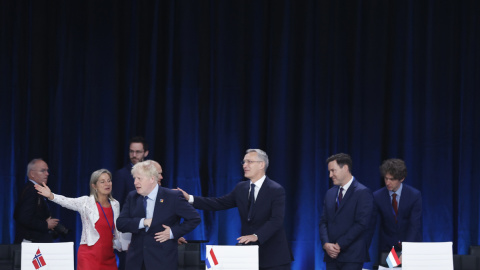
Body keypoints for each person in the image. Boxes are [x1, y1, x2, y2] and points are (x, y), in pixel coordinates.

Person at [178, 149, 293, 270]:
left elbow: (276, 220)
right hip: (248, 256)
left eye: (249, 161)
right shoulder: (241, 188)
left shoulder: (275, 189)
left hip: (274, 257)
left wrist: (256, 235)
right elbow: (219, 203)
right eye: (243, 162)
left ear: (261, 165)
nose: (244, 165)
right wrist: (190, 198)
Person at [116, 160, 201, 270]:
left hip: (162, 261)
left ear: (152, 179)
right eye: (135, 178)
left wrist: (172, 232)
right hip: (136, 262)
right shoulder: (132, 197)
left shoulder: (172, 197)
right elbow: (121, 223)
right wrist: (143, 222)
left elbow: (194, 218)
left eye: (139, 179)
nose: (135, 183)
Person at [34, 169, 122, 270]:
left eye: (109, 180)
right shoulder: (86, 202)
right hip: (89, 255)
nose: (107, 184)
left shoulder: (115, 204)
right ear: (94, 186)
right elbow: (67, 201)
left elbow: (117, 228)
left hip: (109, 257)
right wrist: (51, 196)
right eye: (102, 181)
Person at [319, 153, 374, 270]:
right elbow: (323, 221)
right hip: (331, 256)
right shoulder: (330, 193)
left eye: (333, 171)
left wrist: (339, 245)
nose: (330, 175)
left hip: (352, 256)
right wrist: (326, 244)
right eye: (329, 171)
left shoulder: (363, 192)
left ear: (345, 168)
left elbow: (361, 224)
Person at [373, 158, 422, 264]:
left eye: (392, 179)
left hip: (411, 247)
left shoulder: (414, 195)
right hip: (389, 249)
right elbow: (370, 223)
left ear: (402, 178)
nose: (387, 182)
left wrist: (406, 251)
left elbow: (414, 225)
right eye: (386, 178)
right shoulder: (377, 196)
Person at [14, 158, 59, 243]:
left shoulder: (34, 189)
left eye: (47, 170)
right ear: (32, 173)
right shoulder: (31, 191)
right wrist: (45, 225)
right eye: (43, 171)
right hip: (32, 244)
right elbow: (23, 217)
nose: (47, 174)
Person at [113, 136, 149, 208]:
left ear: (146, 153)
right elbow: (117, 203)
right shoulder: (121, 174)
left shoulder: (150, 173)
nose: (134, 155)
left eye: (138, 152)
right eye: (131, 151)